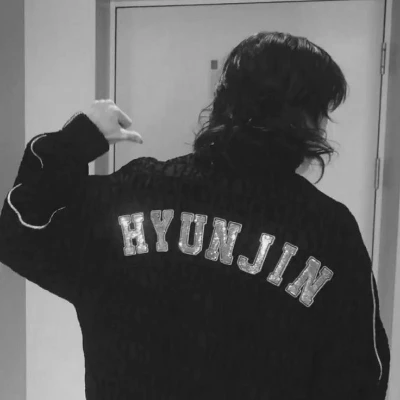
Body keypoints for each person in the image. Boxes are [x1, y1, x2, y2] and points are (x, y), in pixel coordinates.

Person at [0, 31, 390, 399]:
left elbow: (22, 228)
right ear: (306, 121)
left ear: (222, 104)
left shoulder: (134, 193)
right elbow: (360, 375)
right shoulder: (327, 229)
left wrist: (79, 138)